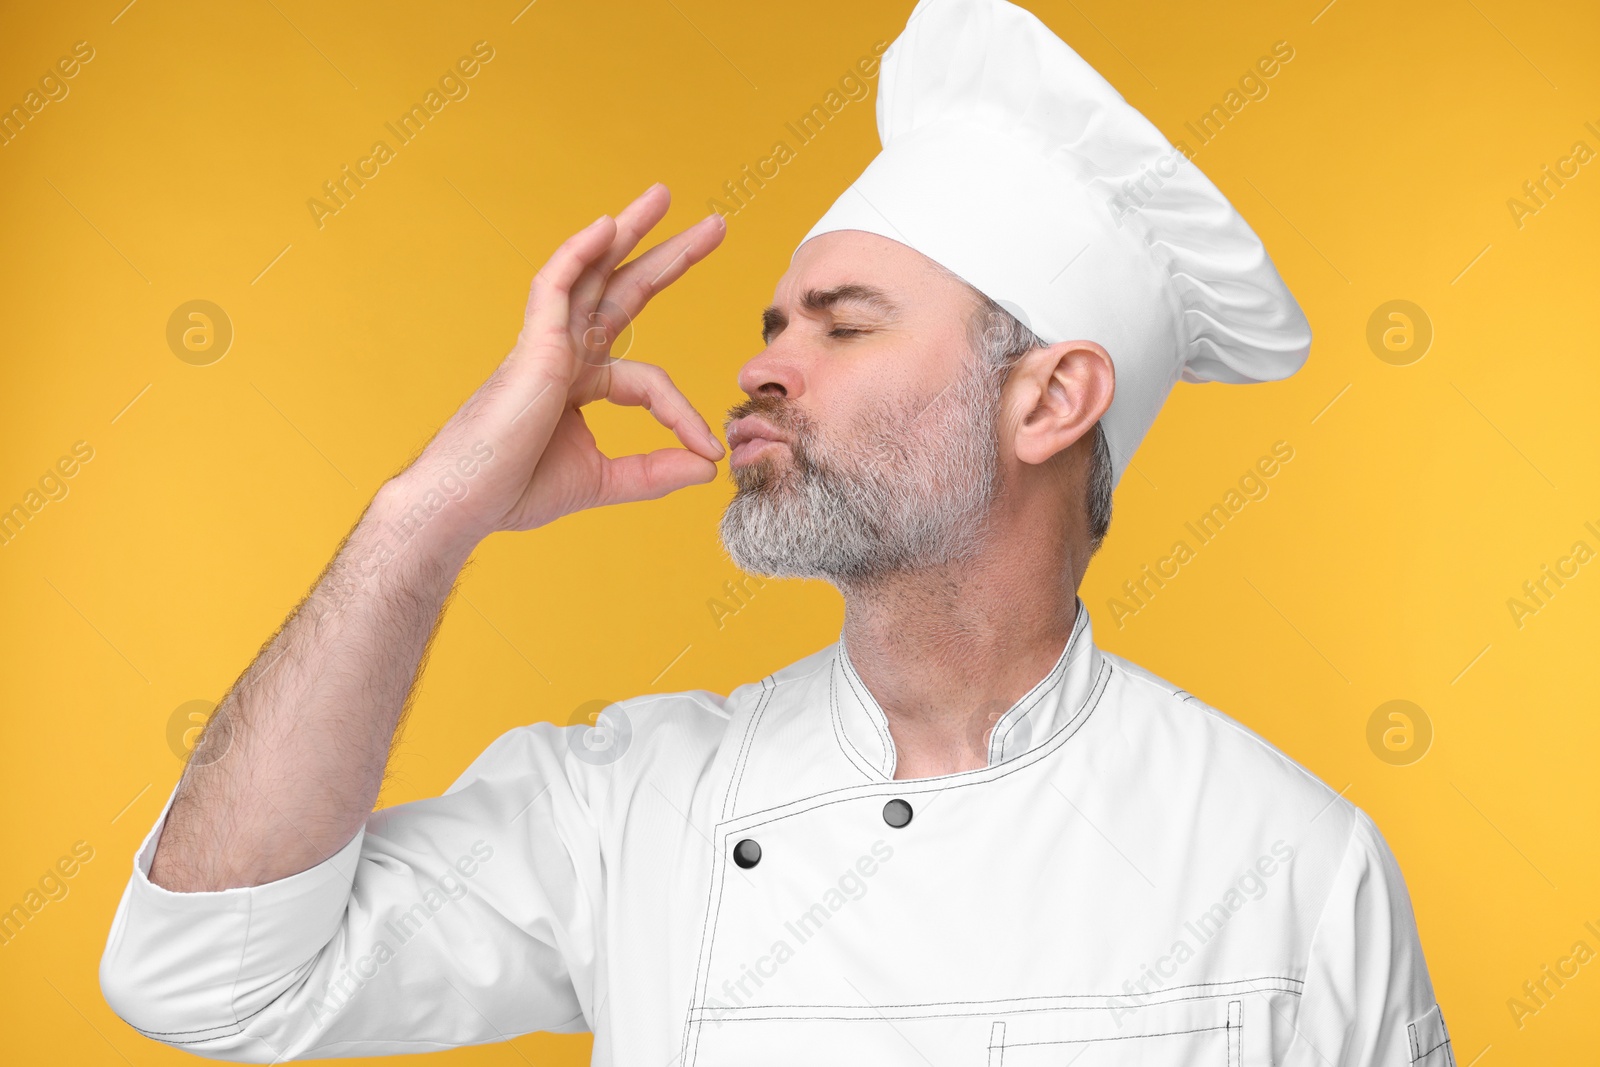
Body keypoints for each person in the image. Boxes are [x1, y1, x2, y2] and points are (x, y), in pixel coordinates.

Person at [100, 1, 1450, 1064]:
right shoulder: (634, 805)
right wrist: (426, 518)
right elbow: (210, 979)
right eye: (772, 327)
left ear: (1050, 400)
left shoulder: (1296, 865)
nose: (765, 366)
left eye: (844, 324)